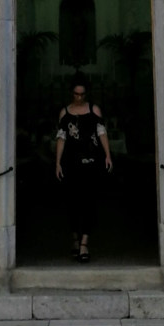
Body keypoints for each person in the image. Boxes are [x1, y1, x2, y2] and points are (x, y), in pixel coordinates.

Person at [55, 76, 112, 263]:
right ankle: (74, 238)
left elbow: (101, 133)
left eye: (82, 94)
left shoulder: (94, 110)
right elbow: (61, 138)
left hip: (91, 161)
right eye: (76, 94)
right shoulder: (64, 112)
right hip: (71, 163)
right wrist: (57, 162)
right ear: (71, 93)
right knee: (72, 202)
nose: (79, 97)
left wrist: (107, 155)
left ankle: (84, 243)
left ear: (86, 94)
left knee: (89, 201)